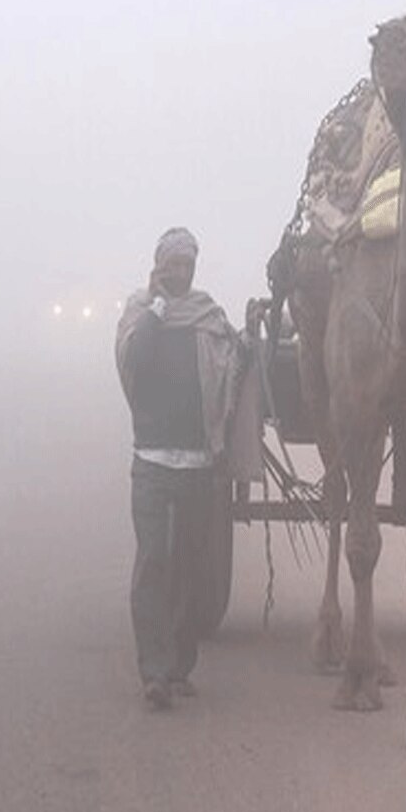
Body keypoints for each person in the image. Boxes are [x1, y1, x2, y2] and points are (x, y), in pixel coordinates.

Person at [115, 227, 244, 710]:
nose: (180, 271)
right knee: (153, 562)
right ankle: (153, 671)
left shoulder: (208, 317)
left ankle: (179, 665)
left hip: (196, 463)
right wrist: (158, 304)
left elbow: (231, 366)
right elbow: (136, 358)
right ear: (158, 265)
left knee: (191, 566)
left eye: (186, 265)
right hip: (150, 461)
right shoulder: (139, 316)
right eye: (172, 264)